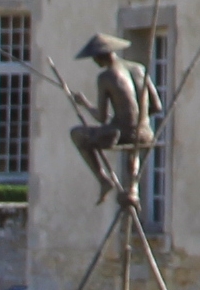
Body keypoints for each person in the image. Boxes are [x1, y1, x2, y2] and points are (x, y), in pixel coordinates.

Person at [67, 32, 160, 199]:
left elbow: (101, 118)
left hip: (123, 134)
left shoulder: (106, 76)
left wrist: (84, 103)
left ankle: (103, 179)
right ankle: (132, 187)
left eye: (95, 58)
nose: (95, 62)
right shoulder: (139, 69)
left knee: (77, 134)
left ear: (100, 57)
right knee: (134, 145)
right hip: (146, 134)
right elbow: (156, 106)